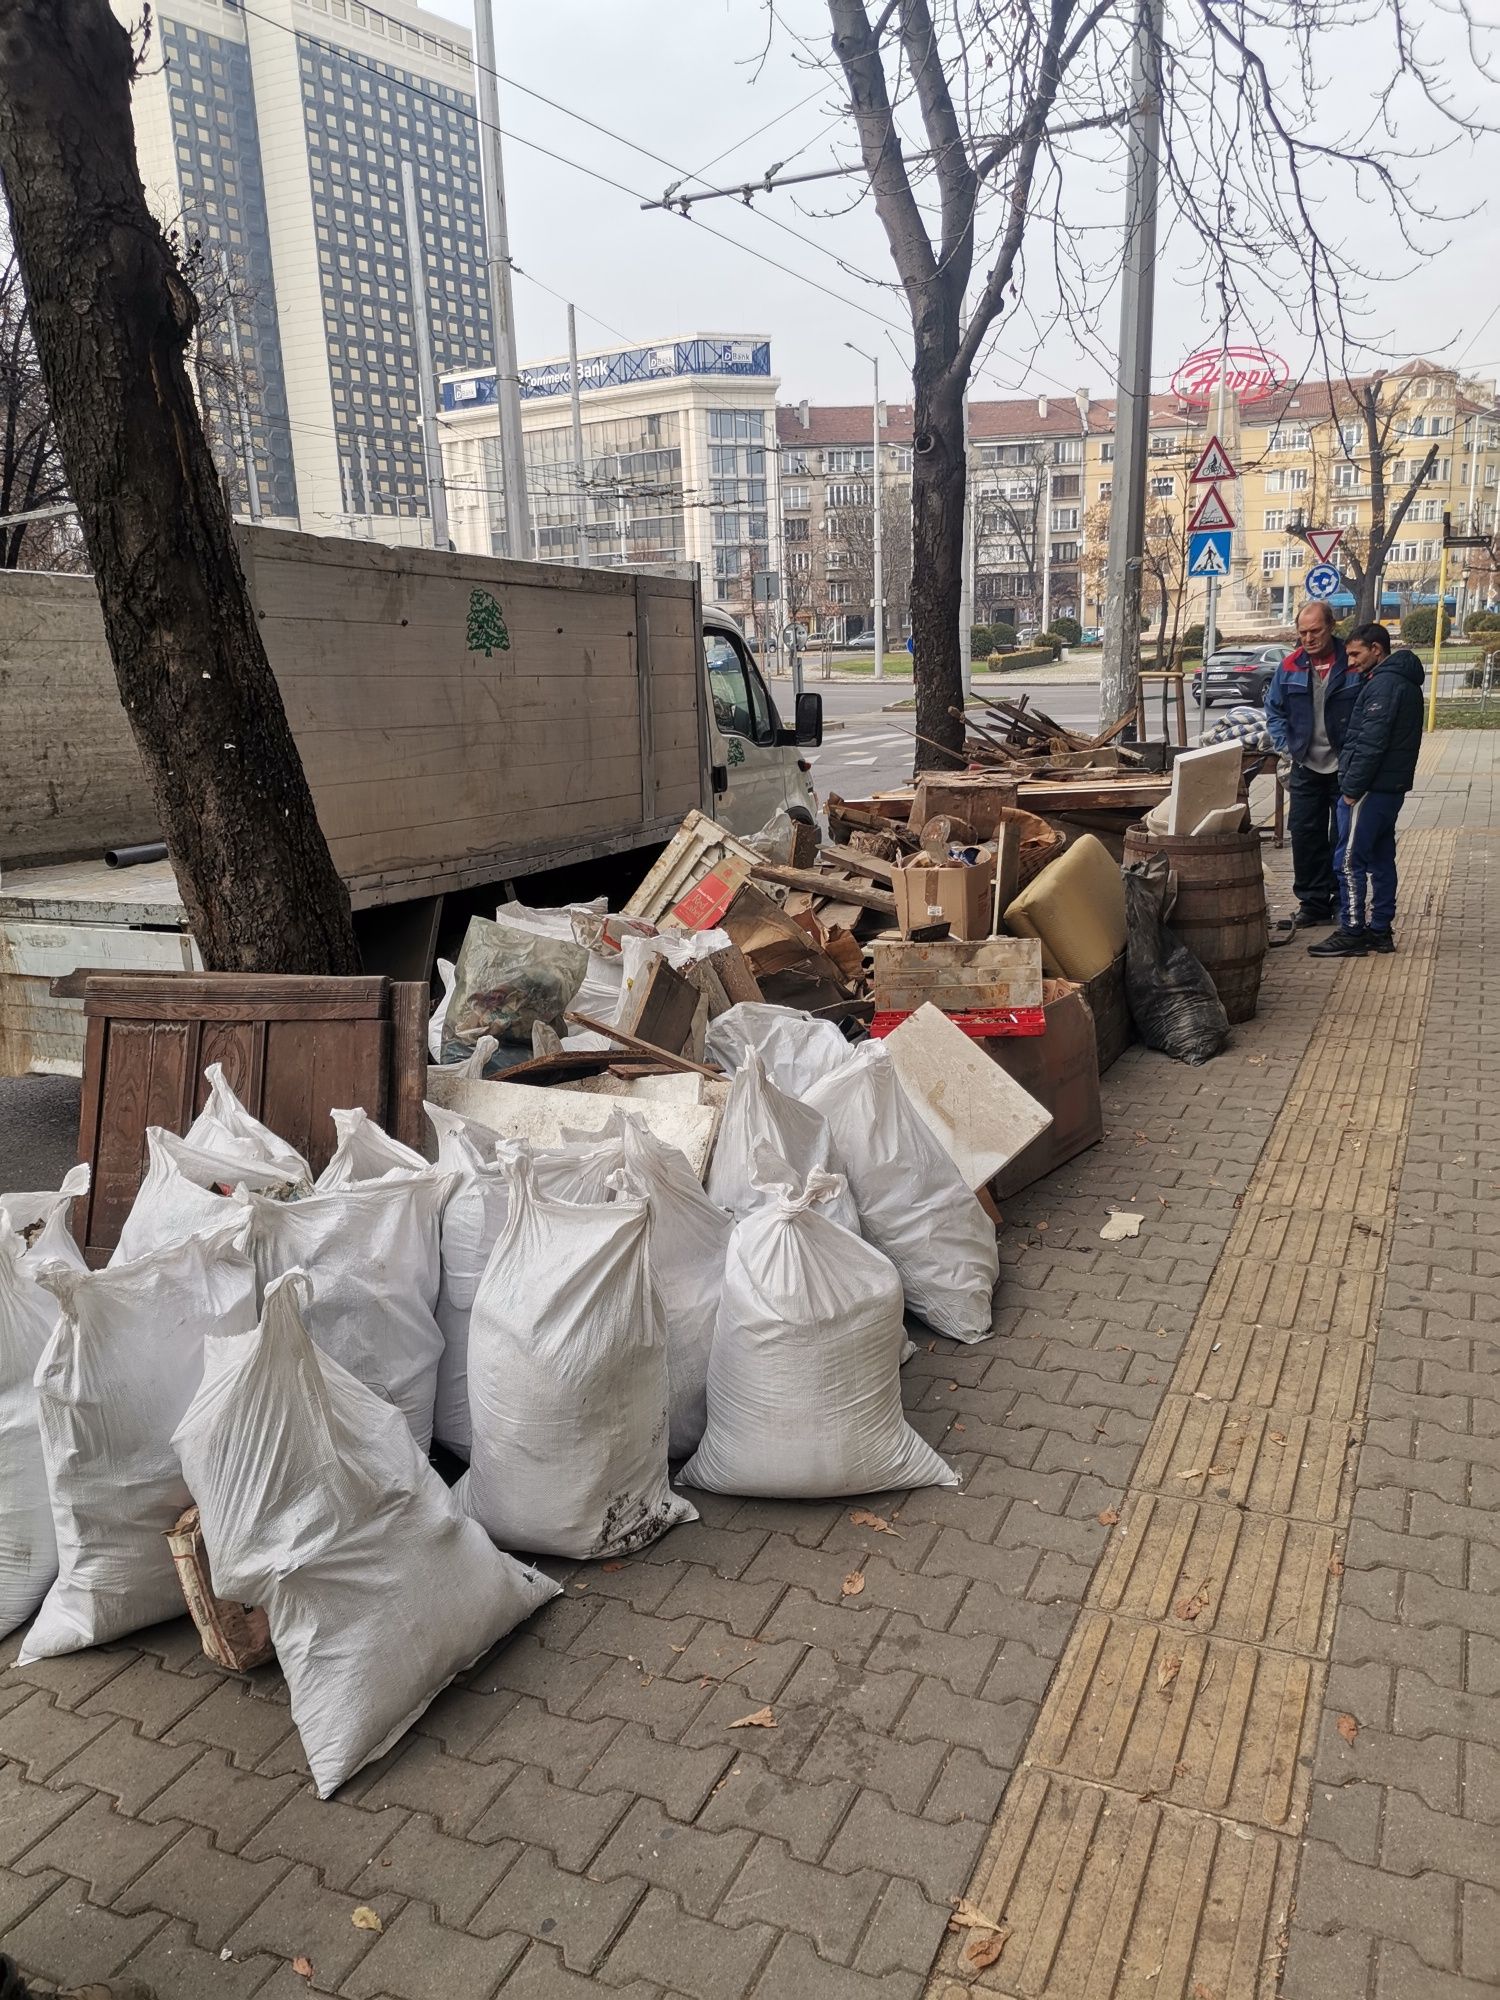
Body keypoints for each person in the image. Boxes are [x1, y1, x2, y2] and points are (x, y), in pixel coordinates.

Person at [1308, 621, 1424, 958]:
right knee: (1381, 859)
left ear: (1377, 649)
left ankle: (1353, 931)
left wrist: (1351, 790)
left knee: (1347, 860)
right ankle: (1380, 930)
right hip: (1389, 787)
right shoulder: (1397, 681)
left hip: (1369, 788)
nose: (1352, 661)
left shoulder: (1384, 686)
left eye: (1357, 654)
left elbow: (1372, 742)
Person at [1263, 602, 1369, 926]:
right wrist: (1286, 747)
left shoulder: (1352, 663)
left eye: (1315, 631)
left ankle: (1342, 902)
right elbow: (1274, 711)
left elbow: (1367, 709)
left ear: (1331, 626)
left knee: (1342, 836)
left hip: (1343, 766)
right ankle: (1313, 904)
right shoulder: (1290, 666)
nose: (1308, 638)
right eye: (1303, 632)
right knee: (1305, 834)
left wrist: (1357, 753)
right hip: (1305, 765)